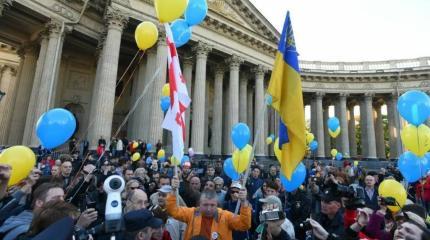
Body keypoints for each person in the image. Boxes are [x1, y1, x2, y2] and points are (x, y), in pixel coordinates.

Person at [167, 177, 251, 240]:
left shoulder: (225, 216)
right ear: (200, 204)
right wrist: (173, 190)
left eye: (212, 205)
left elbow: (244, 225)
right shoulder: (192, 213)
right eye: (205, 205)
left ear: (217, 204)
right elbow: (173, 211)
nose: (208, 209)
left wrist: (243, 202)